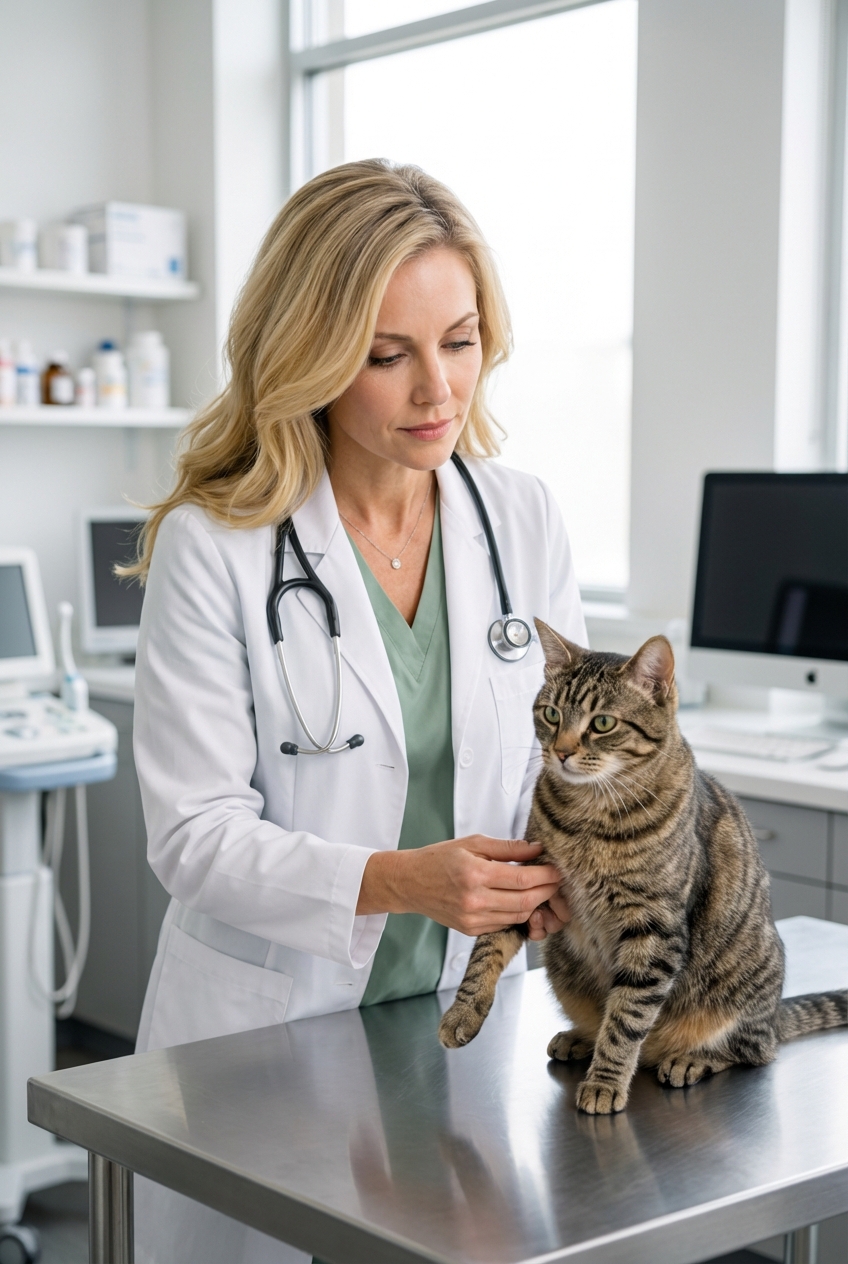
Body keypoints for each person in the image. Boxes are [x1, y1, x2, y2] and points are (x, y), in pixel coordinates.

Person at [128, 159, 586, 1264]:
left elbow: (558, 770)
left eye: (460, 340)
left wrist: (577, 873)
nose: (439, 390)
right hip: (265, 1037)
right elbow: (192, 837)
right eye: (387, 355)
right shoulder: (219, 543)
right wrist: (400, 879)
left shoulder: (518, 518)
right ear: (313, 357)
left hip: (457, 1027)